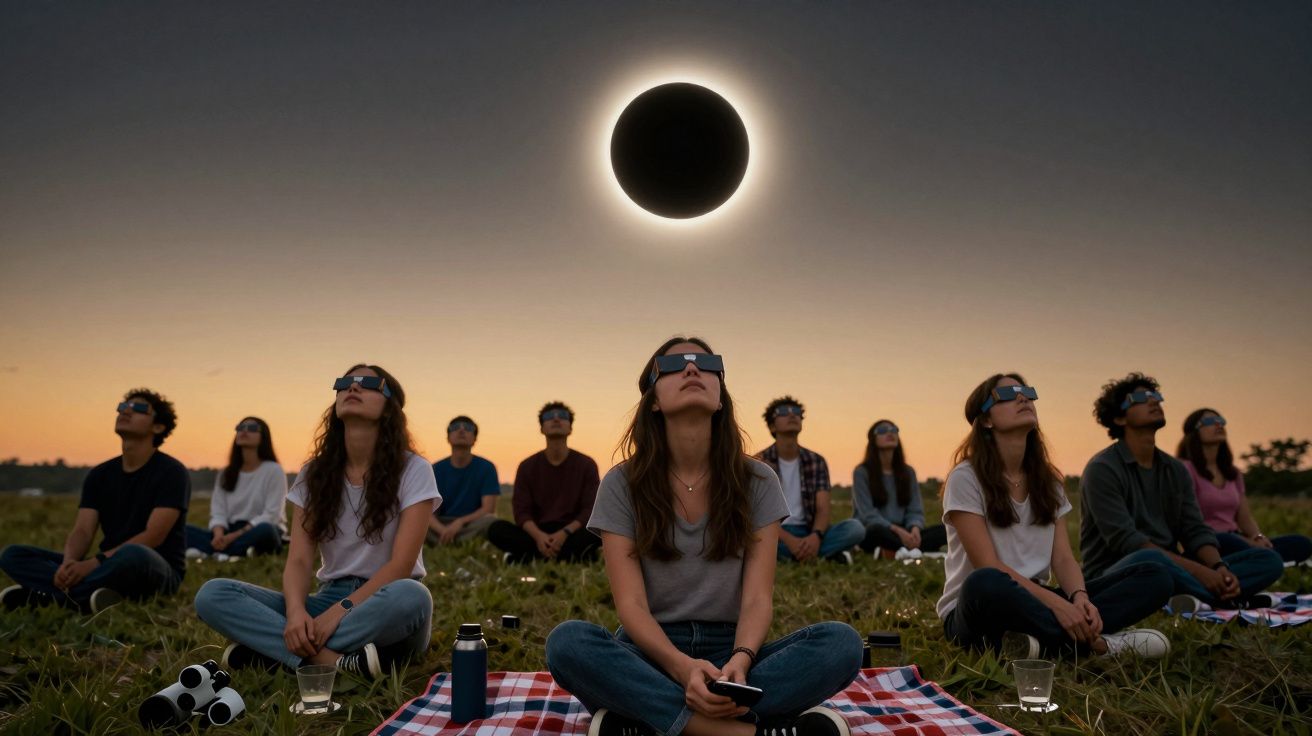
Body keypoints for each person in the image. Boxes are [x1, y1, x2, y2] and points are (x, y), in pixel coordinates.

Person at [546, 337, 861, 736]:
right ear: (654, 400)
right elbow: (631, 605)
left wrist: (743, 660)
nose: (692, 368)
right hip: (650, 652)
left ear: (720, 398)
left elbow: (757, 598)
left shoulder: (758, 479)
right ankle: (743, 731)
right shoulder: (621, 482)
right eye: (674, 365)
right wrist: (682, 667)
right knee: (568, 643)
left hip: (732, 650)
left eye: (707, 363)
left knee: (841, 644)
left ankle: (647, 722)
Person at [194, 365, 437, 680]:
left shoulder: (414, 469)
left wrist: (337, 614)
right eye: (345, 383)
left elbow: (401, 566)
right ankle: (335, 664)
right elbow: (298, 560)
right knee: (213, 594)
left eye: (367, 383)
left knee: (413, 597)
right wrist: (296, 613)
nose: (353, 387)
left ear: (390, 407)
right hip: (327, 597)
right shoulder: (314, 473)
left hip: (384, 602)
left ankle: (274, 652)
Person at [938, 374, 1172, 658]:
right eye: (1008, 394)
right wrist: (1058, 605)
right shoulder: (966, 477)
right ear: (985, 420)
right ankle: (1100, 645)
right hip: (978, 607)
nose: (1023, 397)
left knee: (1155, 574)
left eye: (1027, 392)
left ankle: (1040, 641)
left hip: (1036, 600)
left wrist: (1079, 599)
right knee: (984, 582)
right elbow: (989, 564)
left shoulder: (1047, 481)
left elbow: (1062, 558)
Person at [1080, 373, 1284, 612]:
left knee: (1268, 560)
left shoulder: (1175, 469)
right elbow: (1128, 543)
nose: (1154, 401)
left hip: (1173, 566)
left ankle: (1201, 596)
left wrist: (1218, 568)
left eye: (1155, 395)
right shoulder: (1102, 469)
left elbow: (1194, 529)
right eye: (1140, 398)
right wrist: (1202, 573)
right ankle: (1222, 598)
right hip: (1119, 570)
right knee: (1152, 563)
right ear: (1119, 418)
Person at [1, 389, 189, 614]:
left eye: (139, 408)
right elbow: (82, 530)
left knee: (133, 554)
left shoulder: (172, 472)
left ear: (158, 427)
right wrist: (69, 564)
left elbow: (152, 537)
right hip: (105, 565)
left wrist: (92, 564)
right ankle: (87, 596)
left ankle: (51, 598)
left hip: (153, 568)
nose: (126, 411)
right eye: (122, 407)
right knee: (13, 555)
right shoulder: (100, 474)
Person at [1177, 408, 1311, 565]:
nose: (1218, 425)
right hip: (1210, 542)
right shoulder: (1185, 469)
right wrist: (1248, 543)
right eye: (1209, 422)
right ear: (1193, 432)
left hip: (1238, 539)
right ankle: (1261, 560)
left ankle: (1260, 559)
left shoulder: (1233, 473)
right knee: (1229, 541)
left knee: (1301, 543)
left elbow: (1245, 518)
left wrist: (1258, 538)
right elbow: (1185, 520)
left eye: (1221, 421)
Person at [754, 396, 864, 564]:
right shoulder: (759, 462)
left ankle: (794, 556)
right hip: (775, 533)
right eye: (783, 412)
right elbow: (758, 513)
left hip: (809, 531)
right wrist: (789, 540)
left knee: (855, 529)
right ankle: (824, 556)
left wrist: (816, 536)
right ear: (771, 425)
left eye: (796, 412)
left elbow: (823, 508)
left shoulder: (816, 461)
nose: (792, 415)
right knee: (747, 537)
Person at [487, 402, 601, 564]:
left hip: (572, 532)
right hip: (536, 533)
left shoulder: (586, 464)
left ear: (570, 428)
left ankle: (527, 558)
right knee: (496, 529)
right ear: (541, 428)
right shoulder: (527, 466)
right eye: (549, 417)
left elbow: (590, 509)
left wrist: (564, 534)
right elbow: (521, 511)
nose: (556, 419)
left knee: (599, 531)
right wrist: (539, 537)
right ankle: (574, 557)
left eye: (562, 416)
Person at [184, 417, 286, 559]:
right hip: (229, 530)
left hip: (257, 529)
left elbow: (271, 515)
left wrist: (234, 536)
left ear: (264, 437)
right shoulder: (226, 473)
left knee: (266, 530)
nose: (244, 431)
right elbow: (218, 512)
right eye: (240, 427)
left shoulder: (274, 470)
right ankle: (232, 552)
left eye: (252, 428)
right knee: (182, 529)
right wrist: (219, 534)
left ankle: (212, 552)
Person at [851, 420, 945, 558]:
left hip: (905, 530)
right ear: (873, 440)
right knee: (874, 531)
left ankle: (895, 551)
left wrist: (915, 529)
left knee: (945, 530)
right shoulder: (861, 472)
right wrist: (897, 531)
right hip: (878, 530)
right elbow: (868, 514)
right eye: (882, 431)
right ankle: (915, 551)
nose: (890, 433)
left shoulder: (908, 472)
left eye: (894, 430)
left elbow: (915, 510)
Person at [427, 416, 500, 546]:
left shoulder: (487, 467)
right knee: (414, 520)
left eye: (468, 428)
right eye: (455, 428)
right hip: (441, 523)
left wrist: (460, 522)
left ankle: (446, 542)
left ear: (474, 439)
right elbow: (427, 511)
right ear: (448, 438)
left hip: (471, 523)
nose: (461, 430)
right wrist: (443, 530)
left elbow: (488, 509)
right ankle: (453, 540)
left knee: (491, 521)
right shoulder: (435, 469)